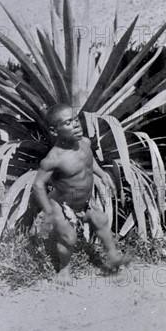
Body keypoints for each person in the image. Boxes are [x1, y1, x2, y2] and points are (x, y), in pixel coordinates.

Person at [33, 104, 131, 285]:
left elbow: (89, 161)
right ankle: (64, 268)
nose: (76, 125)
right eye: (68, 123)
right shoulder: (54, 159)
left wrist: (102, 174)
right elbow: (38, 184)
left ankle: (113, 256)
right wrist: (47, 210)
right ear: (54, 131)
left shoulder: (84, 143)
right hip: (60, 205)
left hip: (83, 201)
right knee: (69, 238)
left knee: (100, 220)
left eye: (76, 119)